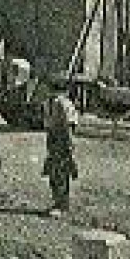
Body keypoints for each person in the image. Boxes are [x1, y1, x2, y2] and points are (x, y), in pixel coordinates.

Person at [42, 80, 80, 216]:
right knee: (53, 173)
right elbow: (48, 125)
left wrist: (69, 145)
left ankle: (63, 205)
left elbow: (68, 126)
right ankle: (57, 202)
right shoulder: (48, 103)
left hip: (63, 139)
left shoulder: (64, 104)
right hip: (53, 139)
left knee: (62, 173)